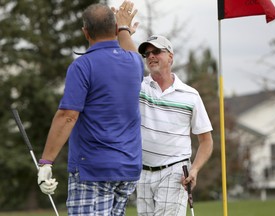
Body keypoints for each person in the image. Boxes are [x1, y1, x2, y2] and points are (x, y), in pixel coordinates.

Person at [37, 1, 144, 215]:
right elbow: (134, 54)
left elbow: (68, 116)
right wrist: (123, 29)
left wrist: (46, 162)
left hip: (94, 169)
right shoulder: (134, 62)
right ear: (114, 29)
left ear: (85, 32)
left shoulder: (83, 65)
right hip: (128, 168)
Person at [136, 35, 214, 215]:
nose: (151, 56)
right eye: (147, 54)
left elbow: (206, 141)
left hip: (175, 171)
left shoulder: (190, 95)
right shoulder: (139, 86)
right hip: (142, 173)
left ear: (170, 56)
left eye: (156, 51)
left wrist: (194, 169)